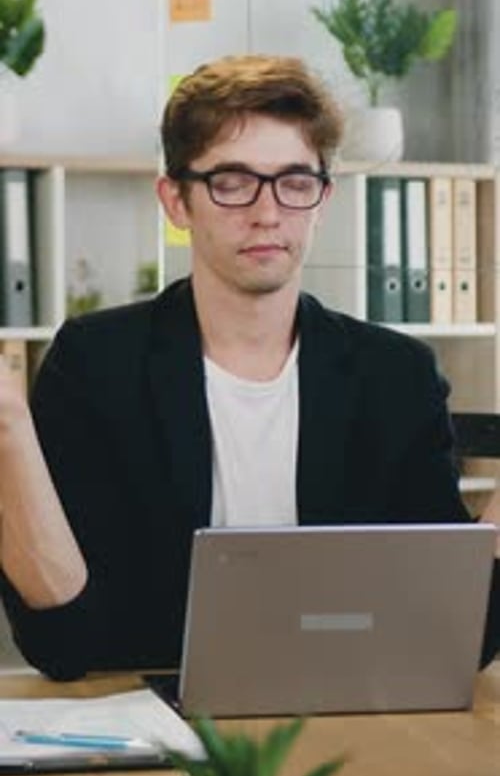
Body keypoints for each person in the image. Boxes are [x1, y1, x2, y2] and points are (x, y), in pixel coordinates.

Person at [0, 54, 499, 681]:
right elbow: (65, 645)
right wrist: (10, 428)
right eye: (232, 182)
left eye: (294, 182)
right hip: (153, 723)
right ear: (177, 201)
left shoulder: (394, 376)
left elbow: (452, 637)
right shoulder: (98, 366)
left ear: (321, 200)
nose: (267, 213)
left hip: (351, 713)